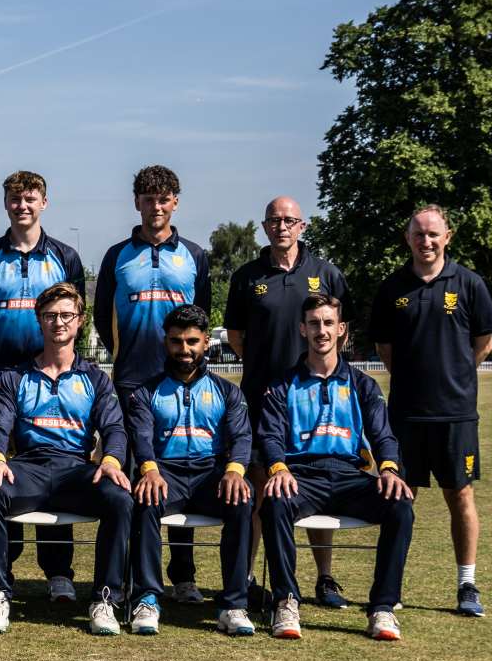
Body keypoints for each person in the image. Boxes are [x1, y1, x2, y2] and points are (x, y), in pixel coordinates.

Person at [0, 283, 133, 636]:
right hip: (28, 466)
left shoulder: (95, 378)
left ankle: (104, 599)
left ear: (79, 321)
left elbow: (115, 428)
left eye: (66, 315)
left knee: (120, 499)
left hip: (76, 469)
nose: (58, 322)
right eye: (50, 316)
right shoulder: (14, 376)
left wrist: (110, 461)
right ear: (39, 321)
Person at [259, 294, 414, 641]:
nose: (321, 331)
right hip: (302, 477)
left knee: (400, 506)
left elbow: (383, 435)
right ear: (303, 329)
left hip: (350, 477)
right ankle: (286, 601)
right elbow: (269, 435)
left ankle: (383, 609)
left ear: (341, 329)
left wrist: (389, 469)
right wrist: (278, 468)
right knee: (273, 503)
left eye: (328, 323)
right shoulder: (283, 385)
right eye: (314, 323)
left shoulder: (362, 384)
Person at [370, 204, 492, 617]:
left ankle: (467, 585)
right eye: (418, 234)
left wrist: (453, 378)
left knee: (460, 495)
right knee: (399, 500)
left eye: (433, 234)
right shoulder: (392, 288)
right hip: (406, 415)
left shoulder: (469, 283)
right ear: (407, 238)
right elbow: (384, 349)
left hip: (455, 416)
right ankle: (393, 588)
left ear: (448, 237)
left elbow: (484, 342)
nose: (426, 241)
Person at [224, 196, 352, 609]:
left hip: (316, 396)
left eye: (290, 220)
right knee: (261, 485)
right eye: (275, 220)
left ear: (303, 226)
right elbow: (236, 338)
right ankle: (246, 578)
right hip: (264, 396)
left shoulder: (326, 273)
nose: (282, 226)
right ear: (265, 227)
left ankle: (325, 577)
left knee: (318, 478)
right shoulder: (247, 277)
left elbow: (339, 329)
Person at [0, 170, 84, 602]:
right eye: (15, 199)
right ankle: (4, 573)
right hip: (1, 374)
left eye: (31, 198)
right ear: (6, 205)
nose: (23, 206)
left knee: (59, 459)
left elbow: (75, 308)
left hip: (51, 374)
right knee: (1, 469)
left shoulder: (65, 256)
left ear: (44, 203)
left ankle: (58, 573)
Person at [94, 165, 210, 603]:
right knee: (125, 482)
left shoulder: (195, 255)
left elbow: (198, 320)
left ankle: (183, 575)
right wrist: (126, 357)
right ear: (136, 202)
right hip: (129, 382)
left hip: (180, 382)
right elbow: (104, 316)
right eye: (148, 198)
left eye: (164, 199)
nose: (156, 206)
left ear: (175, 201)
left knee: (181, 471)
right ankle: (120, 579)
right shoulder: (116, 255)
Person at [125, 305, 255, 636]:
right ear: (165, 342)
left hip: (210, 475)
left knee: (242, 501)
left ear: (206, 342)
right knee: (142, 500)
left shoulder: (228, 391)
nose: (184, 350)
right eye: (176, 341)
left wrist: (235, 471)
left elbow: (241, 436)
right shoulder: (145, 391)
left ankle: (233, 604)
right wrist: (149, 470)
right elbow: (141, 436)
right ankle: (147, 599)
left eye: (192, 341)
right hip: (164, 473)